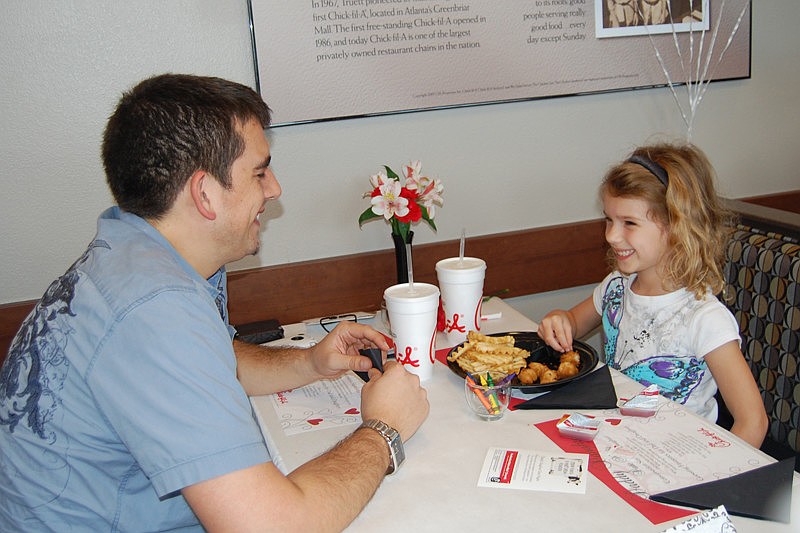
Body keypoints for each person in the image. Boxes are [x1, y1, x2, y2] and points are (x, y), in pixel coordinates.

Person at [0, 74, 429, 532]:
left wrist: (311, 363)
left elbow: (213, 359)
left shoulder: (134, 249)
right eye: (260, 173)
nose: (274, 189)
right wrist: (384, 429)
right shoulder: (155, 309)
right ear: (205, 194)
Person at [538, 142, 768, 449]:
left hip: (679, 456)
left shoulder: (704, 319)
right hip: (619, 442)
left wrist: (718, 479)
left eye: (629, 223)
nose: (611, 235)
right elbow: (572, 324)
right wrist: (560, 320)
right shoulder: (617, 286)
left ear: (678, 227)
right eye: (609, 219)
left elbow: (753, 421)